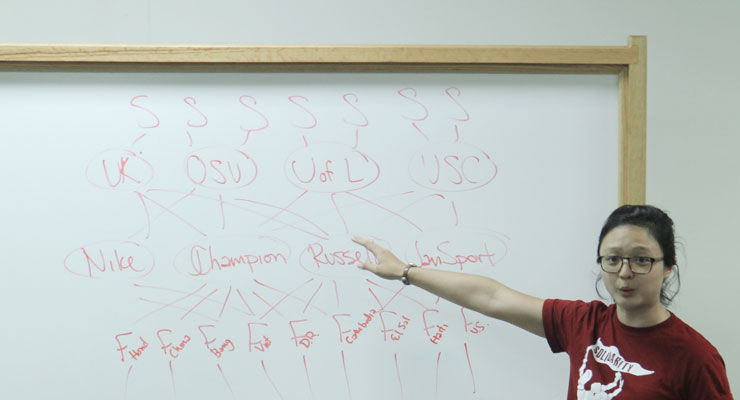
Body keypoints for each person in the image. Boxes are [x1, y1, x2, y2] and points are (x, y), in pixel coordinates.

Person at [352, 205, 733, 399]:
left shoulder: (695, 356)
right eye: (612, 259)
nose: (624, 273)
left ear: (668, 267)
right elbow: (493, 296)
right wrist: (406, 271)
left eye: (641, 259)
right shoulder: (583, 322)